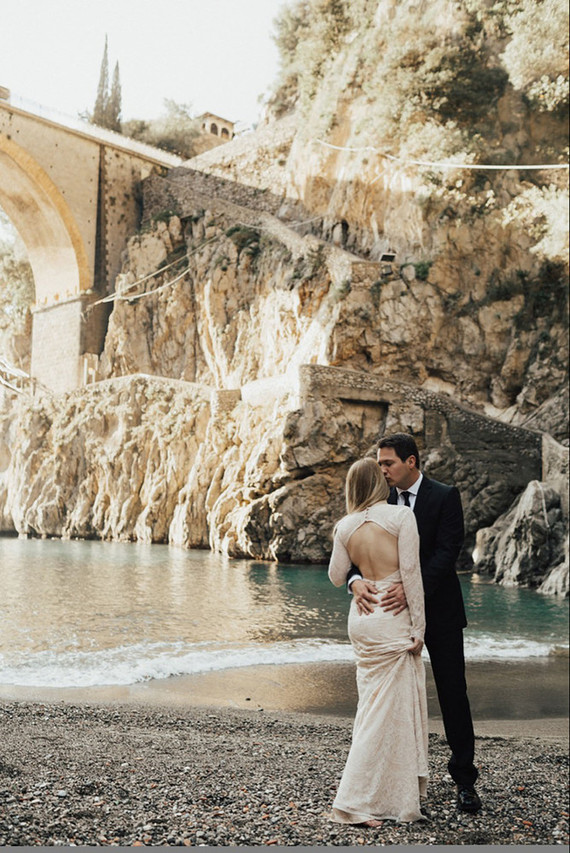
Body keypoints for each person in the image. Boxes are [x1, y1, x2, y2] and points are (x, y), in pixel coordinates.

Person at [347, 433, 481, 814]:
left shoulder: (444, 495)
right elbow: (354, 547)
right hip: (389, 616)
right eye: (378, 463)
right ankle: (390, 779)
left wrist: (411, 587)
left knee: (453, 694)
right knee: (387, 698)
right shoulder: (378, 500)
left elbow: (447, 551)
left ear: (411, 461)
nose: (381, 469)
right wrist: (355, 582)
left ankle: (465, 781)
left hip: (439, 612)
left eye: (387, 463)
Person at [328, 457, 428, 825]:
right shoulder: (401, 517)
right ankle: (353, 801)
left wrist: (357, 581)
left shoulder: (345, 525)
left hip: (363, 619)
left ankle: (387, 796)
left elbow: (338, 576)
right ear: (378, 483)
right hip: (390, 617)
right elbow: (411, 576)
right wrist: (420, 627)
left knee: (374, 710)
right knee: (384, 715)